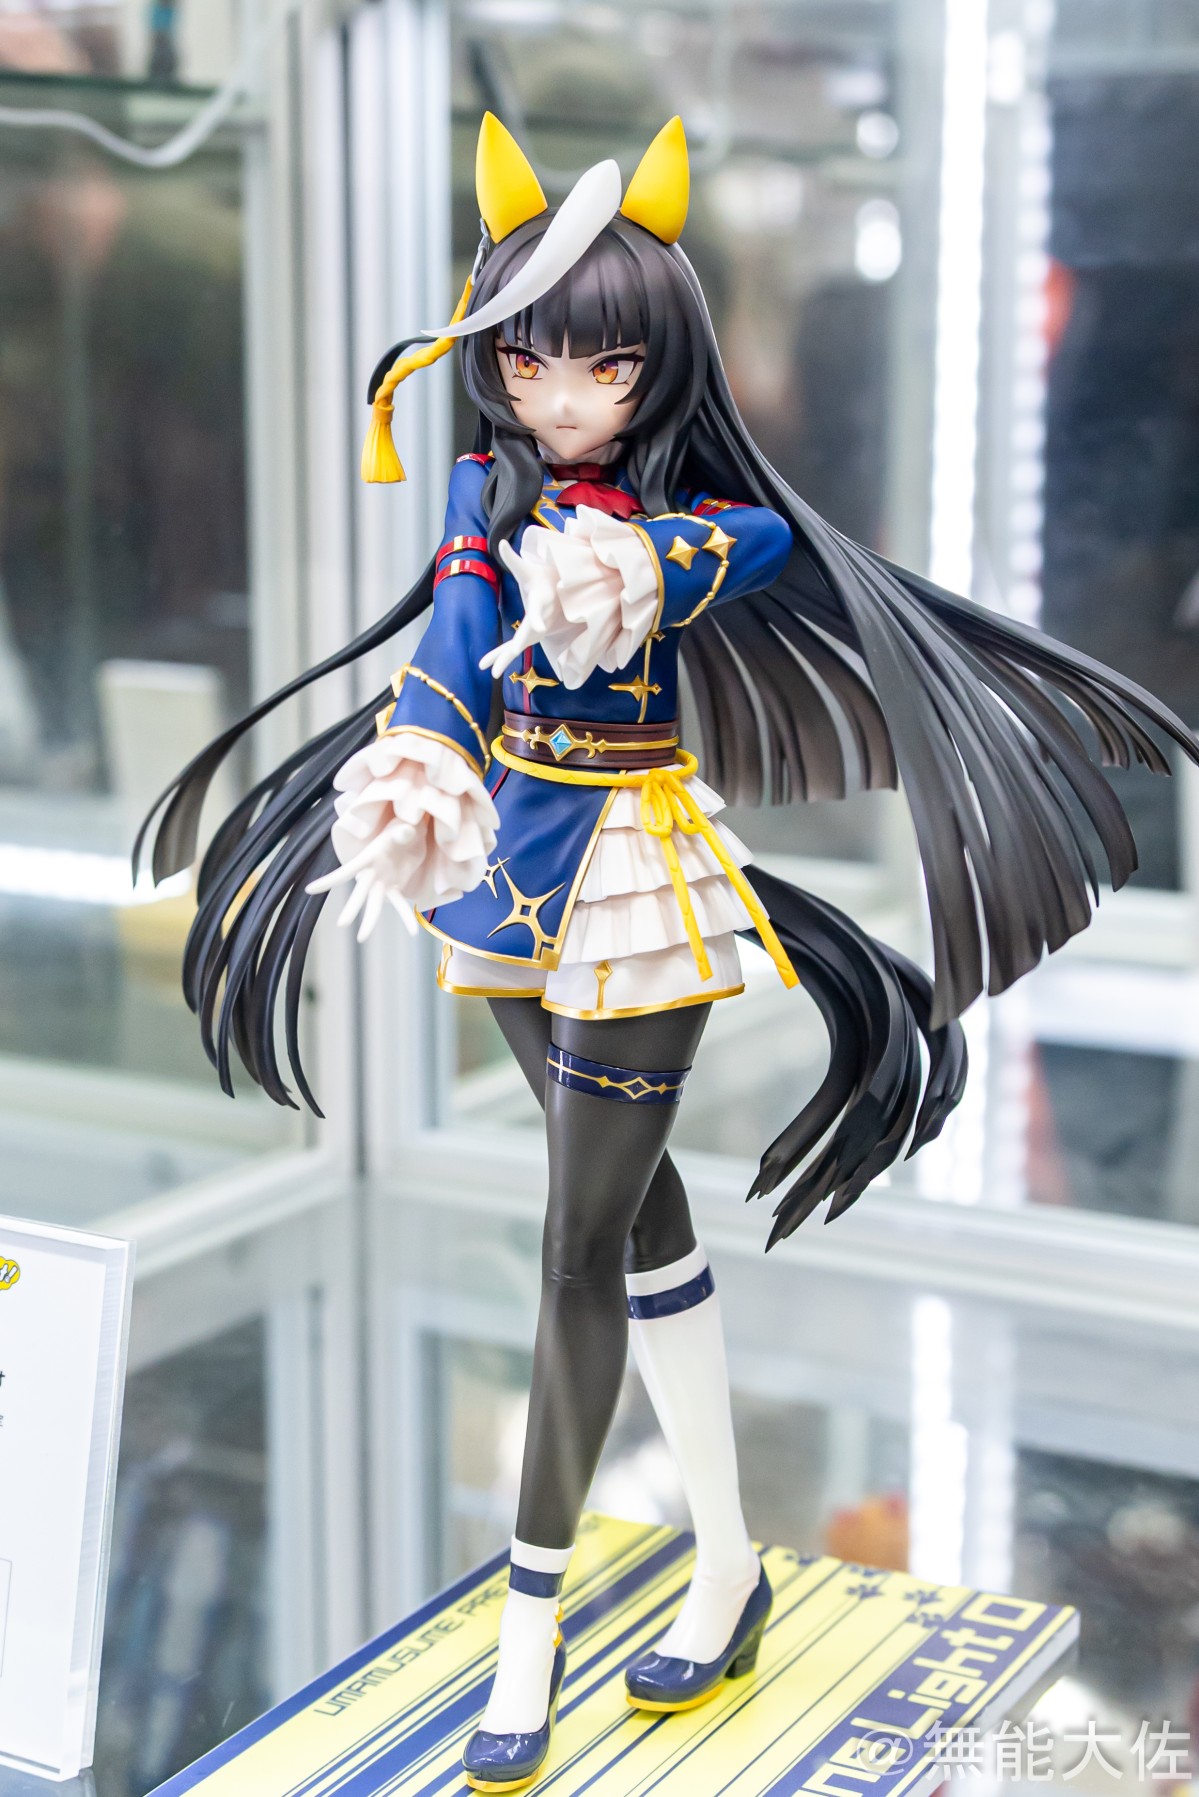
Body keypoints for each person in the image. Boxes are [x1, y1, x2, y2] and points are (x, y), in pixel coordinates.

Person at [138, 116, 1198, 1793]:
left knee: (573, 1247)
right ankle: (725, 1563)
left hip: (638, 878)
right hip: (506, 876)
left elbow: (753, 546)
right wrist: (418, 762)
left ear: (658, 365)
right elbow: (455, 649)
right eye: (530, 363)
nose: (562, 398)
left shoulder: (681, 518)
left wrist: (649, 558)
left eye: (602, 367)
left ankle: (530, 1633)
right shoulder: (490, 502)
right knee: (633, 1225)